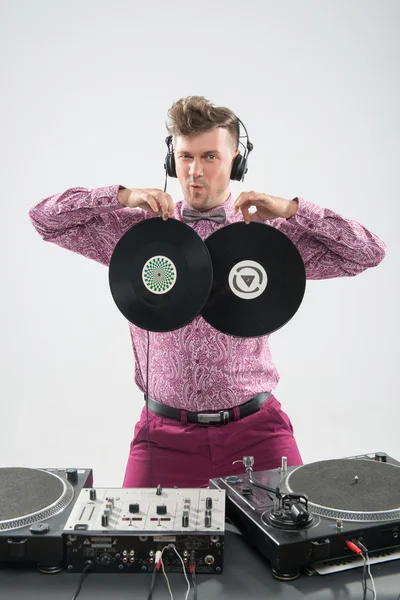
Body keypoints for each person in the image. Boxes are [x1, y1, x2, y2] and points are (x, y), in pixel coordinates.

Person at [28, 96, 386, 489]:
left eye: (211, 157)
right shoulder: (135, 232)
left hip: (258, 433)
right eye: (184, 157)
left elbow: (367, 252)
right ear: (171, 160)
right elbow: (45, 220)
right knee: (137, 550)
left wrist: (292, 210)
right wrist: (120, 196)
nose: (194, 171)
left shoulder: (268, 237)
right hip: (162, 439)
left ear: (237, 161)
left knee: (294, 546)